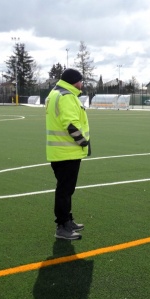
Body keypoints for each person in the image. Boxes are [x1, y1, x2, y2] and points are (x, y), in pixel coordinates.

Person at [45, 68, 91, 240]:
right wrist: (83, 141)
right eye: (80, 81)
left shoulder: (56, 94)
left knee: (66, 189)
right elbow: (71, 124)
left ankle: (67, 220)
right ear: (74, 81)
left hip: (61, 151)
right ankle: (62, 226)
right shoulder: (66, 96)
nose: (82, 84)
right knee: (64, 190)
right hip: (67, 151)